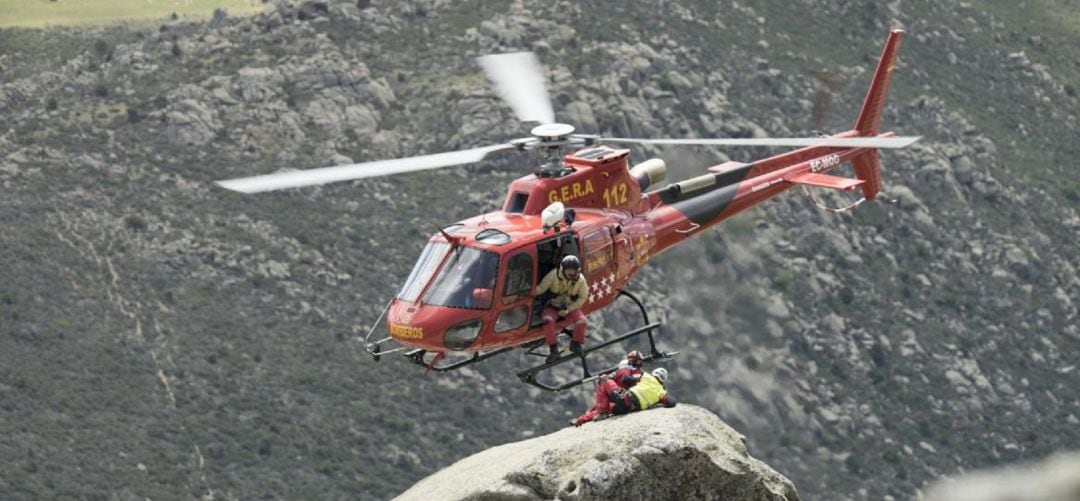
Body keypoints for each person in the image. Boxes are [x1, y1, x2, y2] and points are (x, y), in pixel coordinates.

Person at [573, 367, 676, 427]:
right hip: (629, 409)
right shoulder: (661, 392)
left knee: (604, 380)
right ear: (663, 380)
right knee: (610, 408)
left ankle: (581, 420)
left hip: (626, 399)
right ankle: (582, 419)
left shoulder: (646, 376)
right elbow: (671, 402)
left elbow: (626, 379)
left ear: (654, 373)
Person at [535, 255, 589, 363]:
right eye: (568, 270)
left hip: (569, 307)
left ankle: (576, 343)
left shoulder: (581, 280)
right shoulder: (553, 275)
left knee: (582, 321)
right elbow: (540, 289)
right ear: (562, 269)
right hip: (552, 306)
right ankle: (554, 350)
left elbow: (583, 297)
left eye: (573, 271)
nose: (571, 273)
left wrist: (568, 309)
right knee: (547, 321)